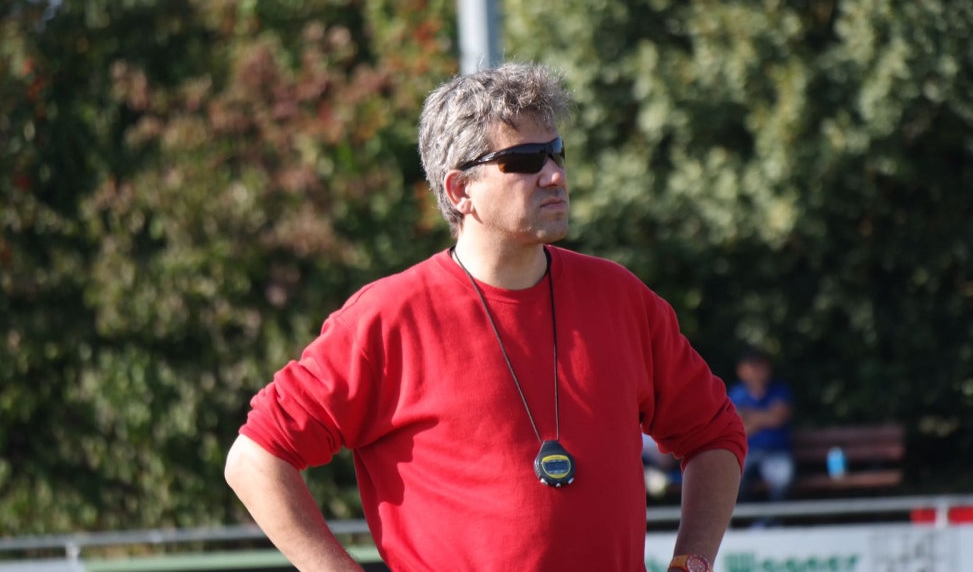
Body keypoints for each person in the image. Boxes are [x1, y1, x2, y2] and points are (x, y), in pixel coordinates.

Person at [224, 62, 747, 572]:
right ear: (460, 191)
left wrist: (692, 562)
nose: (555, 174)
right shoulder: (387, 318)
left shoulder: (621, 297)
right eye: (524, 161)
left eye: (556, 152)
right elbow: (254, 460)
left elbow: (715, 435)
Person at [727, 348, 795, 506]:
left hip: (776, 453)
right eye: (753, 366)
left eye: (761, 366)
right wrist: (768, 417)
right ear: (742, 370)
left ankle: (770, 519)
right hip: (746, 454)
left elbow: (779, 418)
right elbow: (736, 428)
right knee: (733, 479)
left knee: (785, 478)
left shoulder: (780, 390)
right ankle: (751, 518)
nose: (758, 371)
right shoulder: (736, 394)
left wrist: (748, 416)